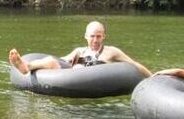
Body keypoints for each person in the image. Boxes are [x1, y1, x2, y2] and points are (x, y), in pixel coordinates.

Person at [8, 20, 152, 77]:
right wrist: (50, 63)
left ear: (104, 37)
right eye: (92, 36)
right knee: (51, 60)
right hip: (73, 77)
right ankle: (25, 66)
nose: (95, 40)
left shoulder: (111, 51)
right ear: (86, 36)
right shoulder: (79, 51)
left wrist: (151, 76)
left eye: (99, 36)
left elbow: (133, 64)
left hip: (96, 80)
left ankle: (27, 66)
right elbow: (62, 61)